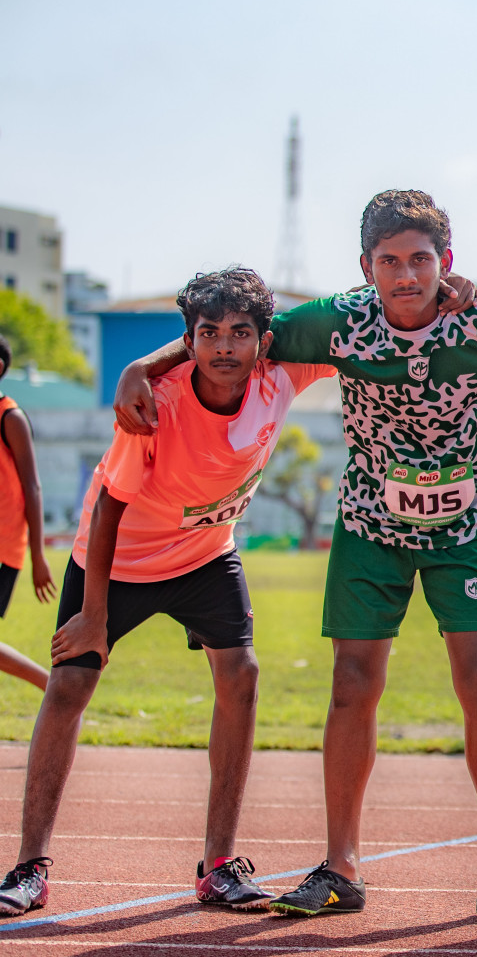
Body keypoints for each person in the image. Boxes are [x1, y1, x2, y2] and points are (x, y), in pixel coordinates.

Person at [112, 191, 477, 923]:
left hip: (461, 532)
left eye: (420, 259)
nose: (405, 275)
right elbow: (230, 333)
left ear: (447, 260)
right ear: (365, 267)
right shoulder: (340, 322)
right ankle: (341, 865)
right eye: (389, 261)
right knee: (351, 685)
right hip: (370, 528)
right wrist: (141, 367)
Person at [0, 268, 332, 917]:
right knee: (68, 685)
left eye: (241, 333)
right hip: (117, 556)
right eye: (209, 334)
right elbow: (109, 509)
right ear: (189, 340)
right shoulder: (155, 404)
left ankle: (218, 867)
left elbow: (354, 319)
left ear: (264, 343)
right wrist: (93, 616)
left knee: (241, 676)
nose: (225, 347)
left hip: (206, 556)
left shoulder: (280, 376)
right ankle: (28, 868)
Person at [0, 334, 55, 690]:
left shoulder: (10, 416)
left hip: (4, 546)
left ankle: (54, 688)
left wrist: (37, 555)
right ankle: (53, 688)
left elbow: (33, 488)